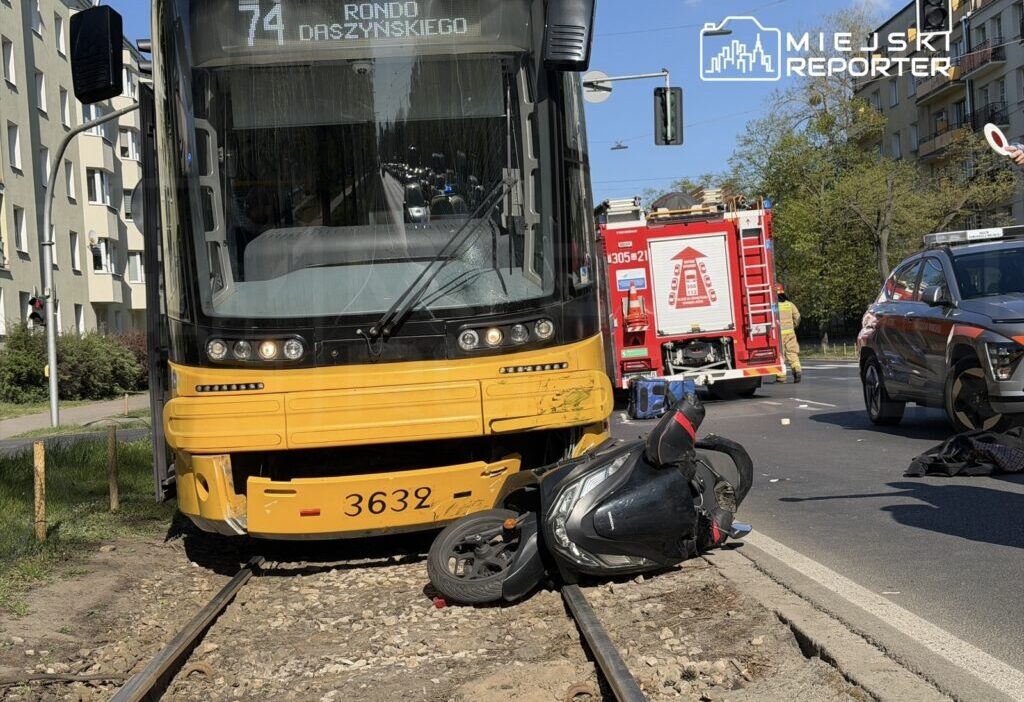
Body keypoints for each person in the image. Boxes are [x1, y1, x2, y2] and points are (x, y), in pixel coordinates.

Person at [776, 283, 802, 384]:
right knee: (792, 352)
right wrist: (794, 326)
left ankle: (781, 377)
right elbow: (798, 317)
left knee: (779, 355)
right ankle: (797, 370)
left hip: (778, 335)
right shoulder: (790, 304)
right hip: (790, 333)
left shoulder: (774, 306)